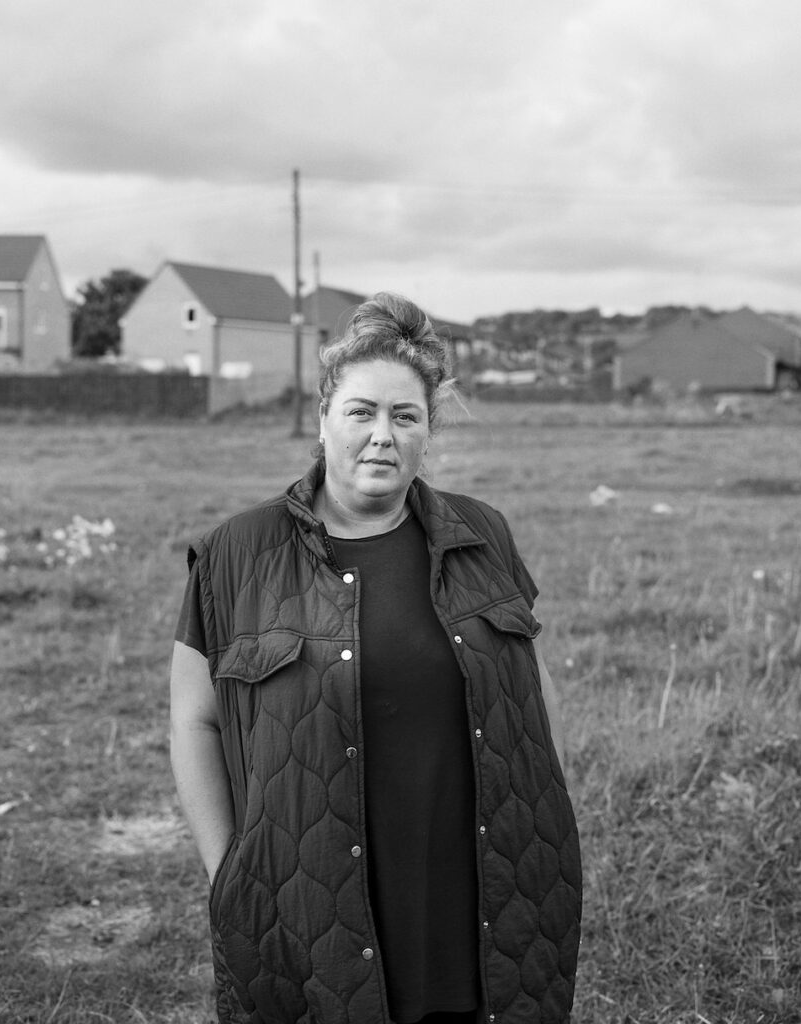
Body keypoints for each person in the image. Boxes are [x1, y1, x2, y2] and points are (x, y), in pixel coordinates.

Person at [170, 293, 582, 1024]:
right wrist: (228, 871)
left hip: (479, 886)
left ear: (429, 429)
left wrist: (547, 820)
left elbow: (531, 688)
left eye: (405, 416)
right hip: (307, 898)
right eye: (362, 412)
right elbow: (194, 724)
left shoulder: (483, 534)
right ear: (325, 416)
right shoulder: (237, 553)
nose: (382, 436)